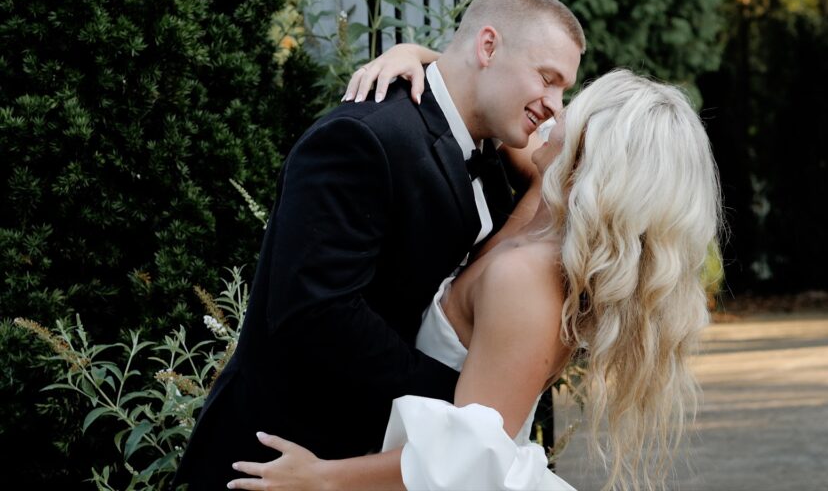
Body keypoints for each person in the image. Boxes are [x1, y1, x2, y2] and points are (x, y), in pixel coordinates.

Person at [172, 0, 585, 490]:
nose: (554, 105)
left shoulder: (499, 158)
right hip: (281, 459)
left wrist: (418, 52)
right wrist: (457, 403)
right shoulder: (363, 137)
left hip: (382, 462)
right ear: (488, 46)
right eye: (547, 79)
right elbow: (315, 311)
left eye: (563, 89)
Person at [226, 68, 723, 491]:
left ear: (591, 151)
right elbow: (482, 86)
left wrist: (323, 477)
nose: (557, 109)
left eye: (578, 105)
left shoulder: (528, 280)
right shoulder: (547, 212)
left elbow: (467, 457)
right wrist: (419, 59)